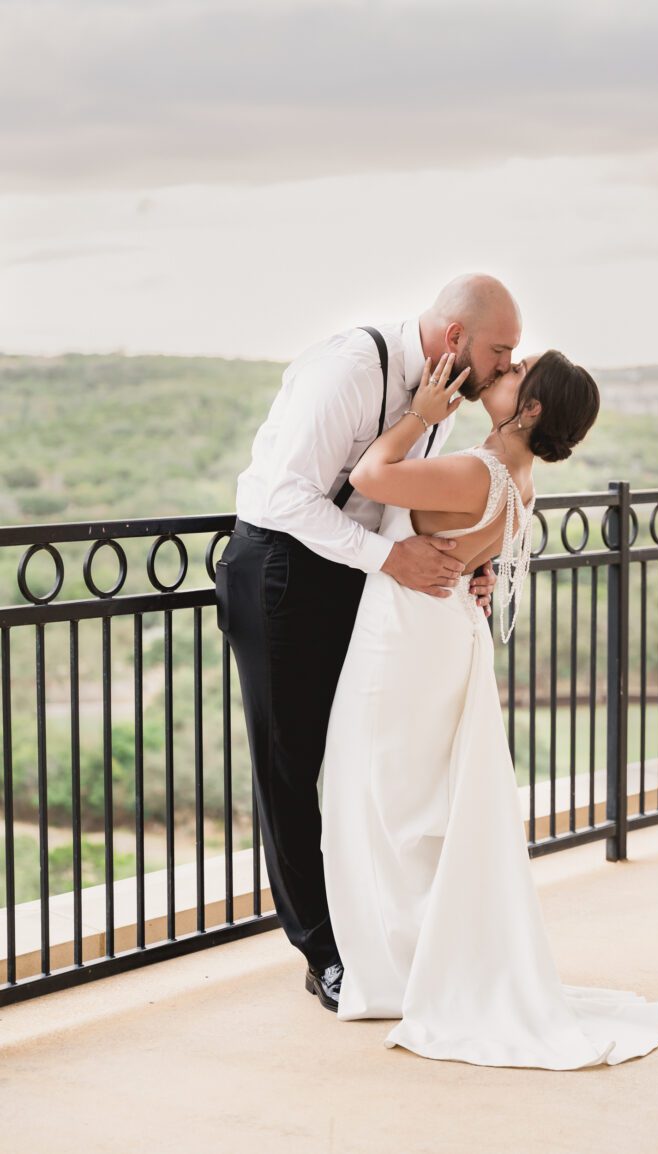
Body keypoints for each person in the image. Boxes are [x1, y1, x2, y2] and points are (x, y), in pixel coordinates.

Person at [320, 349, 658, 1068]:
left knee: (385, 797)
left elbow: (367, 477)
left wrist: (421, 415)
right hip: (445, 630)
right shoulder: (517, 478)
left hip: (406, 638)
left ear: (530, 408)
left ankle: (402, 967)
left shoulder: (478, 470)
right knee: (415, 799)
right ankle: (412, 955)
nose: (500, 375)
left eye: (516, 373)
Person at [216, 274, 522, 1009]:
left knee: (360, 755)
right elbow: (289, 496)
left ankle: (371, 931)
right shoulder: (350, 368)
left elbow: (400, 502)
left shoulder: (443, 395)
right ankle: (322, 952)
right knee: (290, 768)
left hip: (349, 573)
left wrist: (466, 565)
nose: (507, 365)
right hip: (280, 571)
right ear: (456, 339)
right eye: (501, 350)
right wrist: (390, 560)